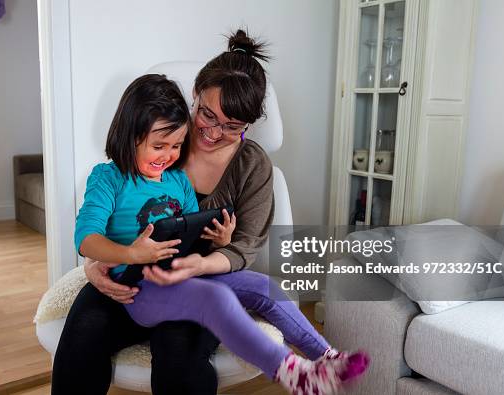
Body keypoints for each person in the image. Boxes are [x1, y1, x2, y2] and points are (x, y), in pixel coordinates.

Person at [51, 30, 368, 395]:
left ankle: (325, 359)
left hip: (191, 274)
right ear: (195, 97)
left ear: (248, 125)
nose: (213, 133)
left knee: (262, 288)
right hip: (141, 281)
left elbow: (211, 237)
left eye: (232, 127)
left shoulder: (229, 170)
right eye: (207, 115)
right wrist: (105, 260)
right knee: (86, 330)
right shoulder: (151, 148)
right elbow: (93, 232)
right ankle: (291, 372)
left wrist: (219, 243)